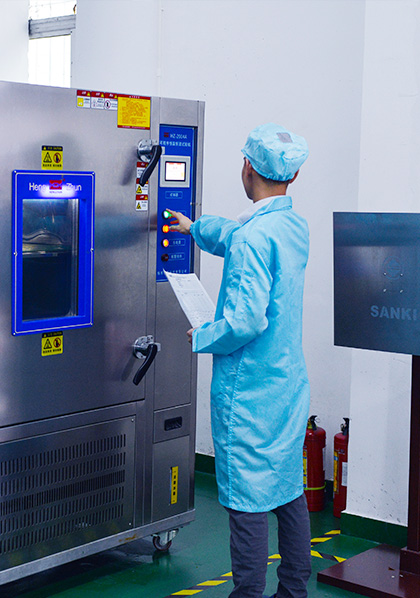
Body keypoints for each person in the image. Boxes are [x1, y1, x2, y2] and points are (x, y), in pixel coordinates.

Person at [169, 123, 311, 598]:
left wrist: (203, 334)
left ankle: (247, 593)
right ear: (292, 175)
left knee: (247, 500)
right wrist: (195, 227)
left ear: (247, 166)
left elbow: (245, 322)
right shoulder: (291, 226)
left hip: (248, 393)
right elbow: (239, 234)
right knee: (287, 491)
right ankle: (293, 591)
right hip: (286, 385)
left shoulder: (254, 239)